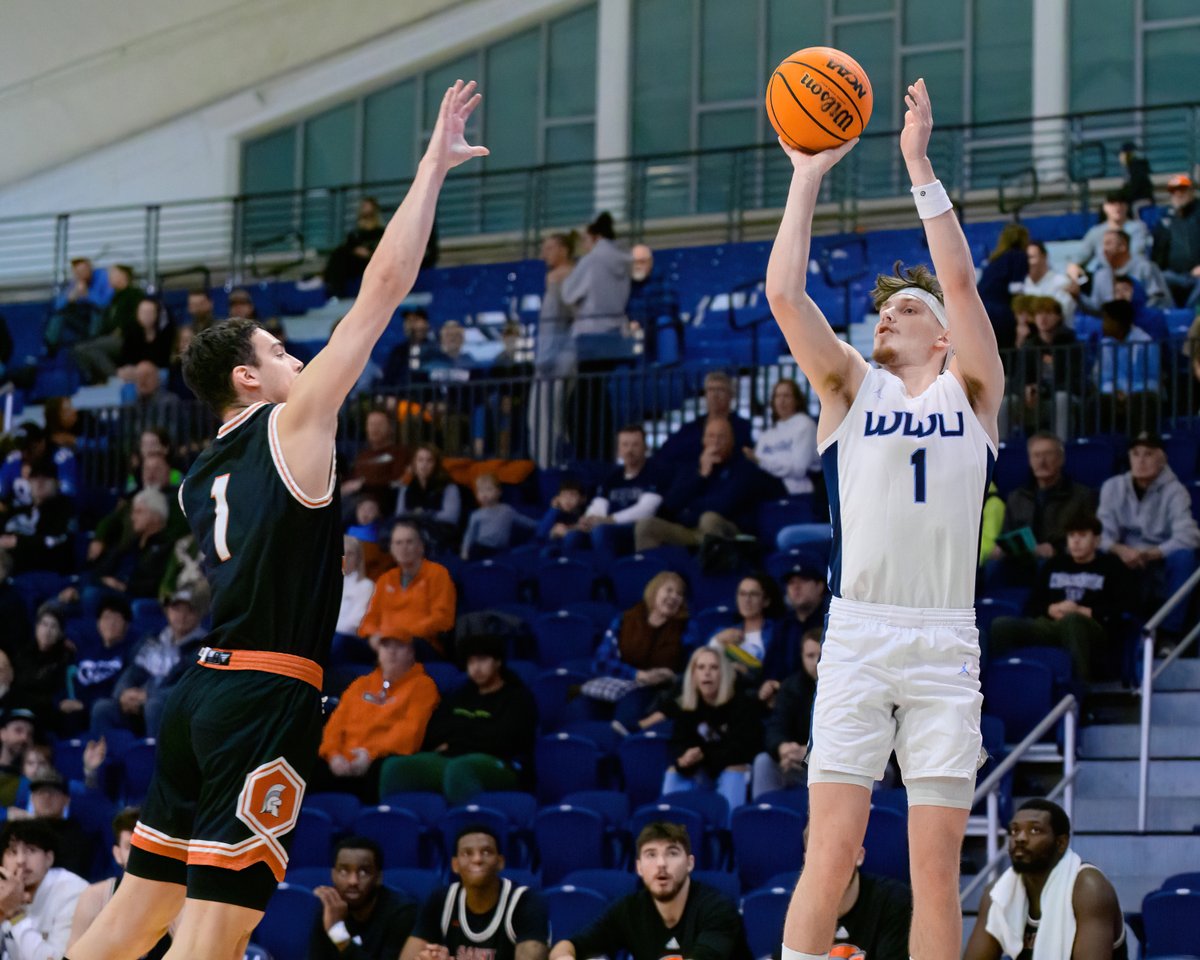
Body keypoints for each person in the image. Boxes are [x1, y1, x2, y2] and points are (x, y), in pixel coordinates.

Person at [66, 81, 488, 960]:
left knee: (128, 925)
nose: (298, 359)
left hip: (198, 696)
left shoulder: (195, 479)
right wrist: (430, 171)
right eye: (280, 352)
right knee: (214, 940)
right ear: (250, 381)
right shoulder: (294, 424)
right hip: (264, 692)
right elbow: (380, 291)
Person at [765, 78, 1005, 960]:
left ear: (942, 336)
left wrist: (916, 163)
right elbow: (786, 296)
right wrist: (806, 175)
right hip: (860, 632)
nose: (887, 314)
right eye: (882, 309)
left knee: (933, 864)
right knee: (832, 848)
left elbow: (961, 279)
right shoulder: (848, 389)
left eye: (906, 308)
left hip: (944, 640)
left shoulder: (972, 393)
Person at [549, 821, 751, 960]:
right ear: (639, 867)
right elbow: (569, 945)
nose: (661, 864)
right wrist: (564, 955)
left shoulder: (718, 908)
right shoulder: (629, 909)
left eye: (672, 853)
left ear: (690, 863)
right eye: (651, 855)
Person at [377, 633, 537, 805]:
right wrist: (470, 735)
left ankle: (464, 827)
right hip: (452, 758)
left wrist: (457, 739)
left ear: (498, 662)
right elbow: (434, 730)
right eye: (471, 662)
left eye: (482, 660)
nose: (476, 668)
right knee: (394, 768)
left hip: (499, 764)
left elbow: (504, 740)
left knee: (459, 770)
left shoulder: (517, 697)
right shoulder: (461, 694)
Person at [963, 799, 1127, 960]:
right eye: (1014, 831)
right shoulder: (998, 894)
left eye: (1034, 830)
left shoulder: (1089, 888)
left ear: (1061, 843)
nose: (1020, 838)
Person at [989, 511, 1132, 682]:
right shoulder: (1054, 565)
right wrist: (1051, 608)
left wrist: (1082, 611)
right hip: (1051, 624)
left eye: (1082, 535)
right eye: (1072, 536)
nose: (1076, 541)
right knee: (1001, 625)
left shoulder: (1112, 566)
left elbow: (1123, 608)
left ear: (1097, 540)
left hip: (1093, 627)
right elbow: (1032, 604)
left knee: (1072, 621)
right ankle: (1003, 684)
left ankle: (1078, 692)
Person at [1098, 432, 1200, 640]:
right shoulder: (1113, 487)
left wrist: (1150, 554)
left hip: (1160, 559)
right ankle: (1110, 627)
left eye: (1148, 454)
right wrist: (1121, 550)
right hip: (1124, 557)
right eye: (1136, 454)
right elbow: (1101, 535)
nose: (1141, 460)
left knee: (1185, 557)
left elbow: (1189, 536)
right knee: (1095, 552)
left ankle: (1169, 633)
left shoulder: (1176, 491)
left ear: (1162, 459)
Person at [318, 632, 440, 801]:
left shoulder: (423, 686)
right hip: (342, 762)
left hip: (380, 761)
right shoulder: (360, 684)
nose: (391, 652)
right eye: (386, 646)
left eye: (399, 646)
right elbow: (335, 725)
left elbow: (410, 733)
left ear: (412, 652)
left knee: (382, 768)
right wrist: (333, 755)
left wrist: (370, 756)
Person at [400, 825, 549, 960]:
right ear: (455, 865)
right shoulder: (441, 900)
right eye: (467, 853)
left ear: (500, 862)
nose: (477, 859)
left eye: (486, 852)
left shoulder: (525, 902)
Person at [90, 588, 207, 739]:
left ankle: (156, 759)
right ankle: (101, 760)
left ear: (199, 615)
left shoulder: (205, 647)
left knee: (155, 706)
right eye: (176, 609)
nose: (182, 616)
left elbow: (190, 687)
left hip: (173, 710)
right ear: (167, 611)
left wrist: (149, 696)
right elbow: (133, 671)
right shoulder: (152, 639)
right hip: (139, 705)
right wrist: (124, 693)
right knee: (102, 708)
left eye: (189, 611)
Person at [633, 418, 764, 551]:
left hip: (726, 529)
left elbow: (723, 506)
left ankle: (711, 569)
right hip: (689, 530)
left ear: (732, 441)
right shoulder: (691, 468)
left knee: (709, 519)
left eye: (721, 437)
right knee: (646, 526)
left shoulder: (743, 467)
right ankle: (653, 570)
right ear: (703, 440)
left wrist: (688, 510)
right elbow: (671, 505)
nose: (716, 442)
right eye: (711, 436)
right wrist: (701, 475)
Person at [661, 647, 762, 818]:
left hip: (730, 770)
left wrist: (703, 756)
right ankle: (668, 830)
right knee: (674, 772)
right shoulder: (686, 707)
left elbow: (743, 750)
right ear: (693, 675)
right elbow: (678, 743)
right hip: (699, 771)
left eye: (713, 668)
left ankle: (727, 835)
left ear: (724, 674)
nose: (707, 673)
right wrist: (683, 759)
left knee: (734, 770)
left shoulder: (742, 703)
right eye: (701, 668)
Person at [588, 571, 689, 729]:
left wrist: (672, 677)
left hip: (656, 690)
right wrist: (637, 674)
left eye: (679, 594)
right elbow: (601, 662)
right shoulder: (625, 619)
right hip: (619, 681)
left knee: (632, 706)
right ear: (654, 591)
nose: (674, 597)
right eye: (669, 590)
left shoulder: (686, 627)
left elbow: (693, 666)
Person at [988, 432, 1096, 577]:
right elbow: (1007, 533)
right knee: (993, 566)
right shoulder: (1017, 497)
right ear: (1030, 460)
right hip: (1021, 559)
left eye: (1048, 454)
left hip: (1060, 558)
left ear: (1061, 459)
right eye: (1036, 456)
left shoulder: (1081, 496)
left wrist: (1056, 549)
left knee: (1045, 565)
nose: (1042, 461)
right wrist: (1001, 548)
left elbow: (1088, 536)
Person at [68, 808, 171, 957]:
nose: (139, 855)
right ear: (117, 854)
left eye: (145, 845)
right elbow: (73, 954)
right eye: (131, 847)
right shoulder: (94, 897)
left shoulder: (176, 900)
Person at [307, 835, 418, 960]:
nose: (353, 881)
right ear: (333, 875)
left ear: (378, 877)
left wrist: (338, 934)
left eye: (363, 872)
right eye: (344, 871)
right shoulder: (329, 907)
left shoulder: (403, 913)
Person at [357, 521, 456, 659]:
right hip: (385, 641)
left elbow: (443, 619)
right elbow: (370, 619)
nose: (403, 548)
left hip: (419, 643)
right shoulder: (385, 579)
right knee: (341, 644)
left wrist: (400, 634)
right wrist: (373, 634)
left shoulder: (438, 574)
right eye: (398, 543)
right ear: (391, 548)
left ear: (421, 547)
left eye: (409, 542)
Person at [572, 425, 664, 560]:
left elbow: (646, 510)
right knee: (573, 536)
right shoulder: (612, 477)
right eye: (625, 445)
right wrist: (588, 519)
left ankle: (607, 577)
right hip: (606, 526)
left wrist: (608, 520)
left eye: (635, 445)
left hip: (635, 529)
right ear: (619, 450)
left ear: (646, 448)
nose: (629, 450)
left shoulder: (654, 473)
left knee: (600, 531)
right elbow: (598, 505)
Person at [0, 818, 88, 958]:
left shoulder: (72, 891)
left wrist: (15, 914)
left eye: (30, 850)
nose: (20, 861)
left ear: (49, 858)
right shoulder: (3, 892)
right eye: (12, 852)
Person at [751, 628, 820, 798]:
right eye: (810, 656)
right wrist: (783, 748)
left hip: (837, 766)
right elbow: (775, 728)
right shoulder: (791, 686)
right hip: (797, 763)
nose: (816, 662)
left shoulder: (848, 688)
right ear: (802, 657)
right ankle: (763, 818)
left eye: (821, 654)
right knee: (764, 762)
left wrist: (811, 753)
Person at [58, 598, 135, 737]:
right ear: (98, 623)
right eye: (106, 618)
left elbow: (119, 689)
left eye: (116, 619)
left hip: (106, 708)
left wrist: (85, 704)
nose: (111, 624)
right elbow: (71, 680)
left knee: (98, 710)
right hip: (77, 707)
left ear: (126, 625)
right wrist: (61, 701)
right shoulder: (86, 652)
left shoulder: (129, 653)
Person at [530, 233, 576, 467]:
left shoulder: (569, 276)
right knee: (540, 416)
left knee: (557, 416)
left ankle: (556, 460)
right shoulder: (551, 278)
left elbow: (575, 314)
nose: (543, 254)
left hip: (562, 357)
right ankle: (543, 461)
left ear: (563, 250)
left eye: (549, 248)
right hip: (547, 357)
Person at [656, 371, 754, 469]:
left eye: (720, 390)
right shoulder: (689, 429)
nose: (715, 395)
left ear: (731, 395)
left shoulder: (741, 428)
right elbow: (666, 454)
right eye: (710, 390)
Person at [0, 457, 76, 576]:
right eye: (35, 478)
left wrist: (18, 542)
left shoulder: (64, 509)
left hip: (41, 571)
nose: (39, 482)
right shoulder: (17, 509)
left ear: (57, 482)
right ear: (29, 483)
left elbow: (56, 541)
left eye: (46, 477)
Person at [762, 556, 828, 686]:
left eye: (803, 580)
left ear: (820, 586)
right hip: (787, 695)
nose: (796, 587)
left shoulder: (831, 622)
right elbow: (772, 668)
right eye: (791, 582)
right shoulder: (782, 626)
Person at [73, 265, 144, 385]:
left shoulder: (134, 294)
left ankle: (116, 378)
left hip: (127, 339)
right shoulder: (113, 299)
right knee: (79, 349)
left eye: (112, 274)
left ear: (123, 276)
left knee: (90, 348)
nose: (109, 278)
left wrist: (122, 329)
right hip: (109, 338)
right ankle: (98, 381)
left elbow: (138, 318)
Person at [746, 379, 819, 495]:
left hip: (794, 489)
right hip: (766, 485)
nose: (781, 401)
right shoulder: (768, 434)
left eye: (787, 396)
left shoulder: (805, 425)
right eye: (778, 396)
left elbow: (798, 469)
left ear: (797, 400)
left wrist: (761, 461)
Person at [1076, 230, 1170, 314]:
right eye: (1103, 245)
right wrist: (1077, 296)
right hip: (1116, 328)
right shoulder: (1100, 275)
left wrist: (1133, 316)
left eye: (1108, 243)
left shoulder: (1145, 267)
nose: (1104, 249)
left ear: (1123, 246)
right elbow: (1097, 308)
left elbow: (1158, 300)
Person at [706, 574, 780, 679]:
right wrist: (717, 640)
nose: (747, 600)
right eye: (742, 594)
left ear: (766, 601)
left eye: (753, 594)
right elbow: (705, 665)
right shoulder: (723, 633)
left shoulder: (778, 631)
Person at [1067, 192, 1151, 280]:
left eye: (1121, 203)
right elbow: (1080, 257)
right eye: (1113, 204)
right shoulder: (1096, 232)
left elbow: (1135, 254)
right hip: (1105, 276)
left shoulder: (1138, 228)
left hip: (1132, 275)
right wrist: (1073, 267)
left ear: (1126, 206)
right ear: (1105, 207)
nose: (1117, 207)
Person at [393, 445, 462, 552]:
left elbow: (450, 517)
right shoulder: (406, 489)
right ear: (414, 464)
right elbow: (399, 515)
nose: (424, 465)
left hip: (438, 533)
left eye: (429, 461)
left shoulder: (449, 487)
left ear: (436, 464)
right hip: (411, 531)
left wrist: (423, 515)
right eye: (420, 460)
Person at [342, 409, 410, 515]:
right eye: (371, 424)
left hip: (380, 501)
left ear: (391, 428)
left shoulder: (399, 453)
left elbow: (398, 481)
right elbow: (352, 478)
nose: (374, 428)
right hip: (353, 498)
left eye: (379, 424)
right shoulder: (363, 455)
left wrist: (364, 484)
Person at [461, 474, 539, 560]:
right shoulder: (476, 515)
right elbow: (470, 535)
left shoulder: (507, 510)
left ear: (499, 492)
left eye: (488, 489)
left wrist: (542, 524)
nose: (484, 494)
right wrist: (465, 551)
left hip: (501, 550)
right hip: (481, 546)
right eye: (480, 491)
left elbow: (525, 522)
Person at [1150, 173, 1200, 308]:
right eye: (1174, 191)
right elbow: (1157, 253)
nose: (1178, 194)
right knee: (1157, 278)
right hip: (1173, 274)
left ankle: (1190, 315)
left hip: (1197, 273)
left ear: (1191, 191)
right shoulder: (1165, 218)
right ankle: (1173, 314)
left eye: (1182, 190)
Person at [626, 243, 682, 362]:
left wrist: (639, 320)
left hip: (654, 327)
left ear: (650, 262)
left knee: (665, 323)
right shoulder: (624, 282)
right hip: (632, 330)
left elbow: (668, 307)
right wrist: (628, 321)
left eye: (642, 261)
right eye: (634, 262)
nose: (637, 266)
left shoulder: (661, 278)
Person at [329, 536, 377, 672]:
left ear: (359, 558)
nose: (345, 557)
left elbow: (355, 623)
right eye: (342, 552)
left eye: (350, 553)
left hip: (352, 640)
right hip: (333, 636)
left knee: (336, 641)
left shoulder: (366, 586)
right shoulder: (329, 585)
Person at [324, 197, 387, 298]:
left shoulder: (380, 232)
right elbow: (348, 247)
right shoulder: (355, 233)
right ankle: (334, 291)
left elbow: (383, 250)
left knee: (341, 256)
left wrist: (369, 253)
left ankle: (335, 291)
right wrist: (355, 250)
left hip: (371, 261)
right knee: (339, 255)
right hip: (354, 261)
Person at [116, 299, 174, 380]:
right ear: (137, 314)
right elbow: (124, 360)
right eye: (143, 312)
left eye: (149, 313)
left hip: (158, 372)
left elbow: (164, 361)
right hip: (135, 373)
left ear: (156, 314)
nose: (146, 316)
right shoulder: (131, 334)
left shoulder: (165, 334)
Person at [1022, 241, 1076, 326]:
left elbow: (1063, 315)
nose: (1027, 262)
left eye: (1031, 257)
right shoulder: (1022, 285)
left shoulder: (1062, 282)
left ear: (1044, 257)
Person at [0, 709, 36, 808]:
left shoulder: (34, 780)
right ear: (2, 734)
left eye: (30, 734)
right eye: (18, 731)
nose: (24, 738)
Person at [1119, 141, 1154, 209]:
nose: (1120, 157)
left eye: (1122, 154)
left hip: (1141, 199)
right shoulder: (1129, 168)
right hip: (1137, 198)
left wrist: (1123, 195)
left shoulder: (1136, 167)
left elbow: (1135, 187)